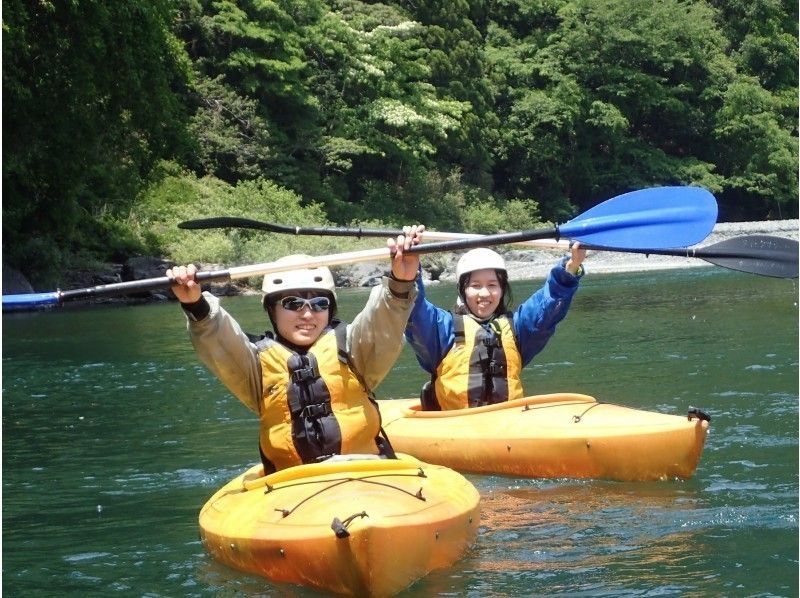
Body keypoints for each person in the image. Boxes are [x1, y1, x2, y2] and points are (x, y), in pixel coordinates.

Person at [168, 225, 424, 474]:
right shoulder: (255, 366)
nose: (307, 313)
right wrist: (195, 305)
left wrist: (401, 281)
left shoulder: (354, 348)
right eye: (293, 303)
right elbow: (218, 340)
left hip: (365, 471)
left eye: (319, 303)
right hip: (291, 485)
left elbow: (383, 320)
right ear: (272, 309)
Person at [405, 243, 587, 410]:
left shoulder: (518, 328)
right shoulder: (442, 329)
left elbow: (547, 307)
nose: (484, 293)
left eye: (492, 285)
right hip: (456, 429)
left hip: (506, 427)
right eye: (475, 285)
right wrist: (409, 273)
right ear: (463, 290)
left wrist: (571, 267)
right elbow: (414, 308)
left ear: (502, 289)